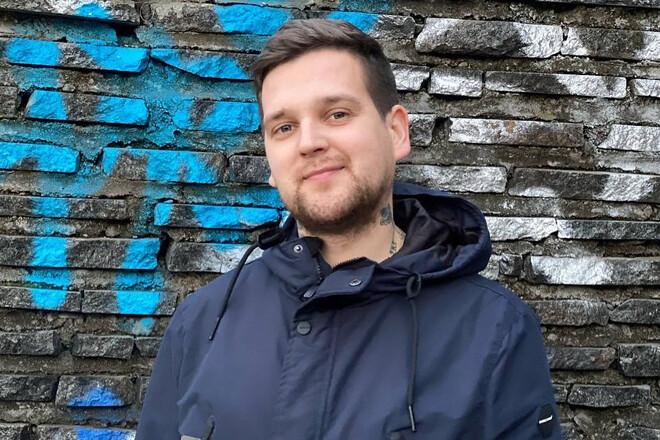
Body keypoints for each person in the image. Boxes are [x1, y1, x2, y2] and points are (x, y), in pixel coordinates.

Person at [136, 19, 562, 440]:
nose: (309, 142)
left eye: (337, 114)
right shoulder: (202, 321)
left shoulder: (495, 330)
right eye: (284, 128)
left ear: (396, 132)